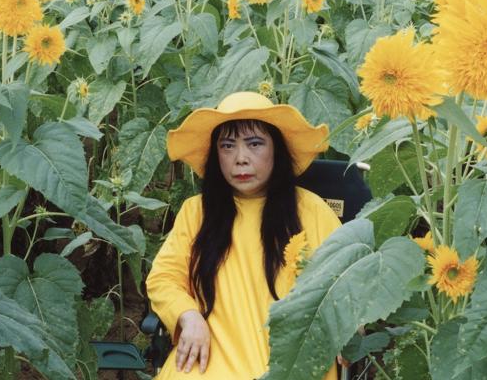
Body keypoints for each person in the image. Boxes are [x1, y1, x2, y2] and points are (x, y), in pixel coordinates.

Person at [145, 92, 344, 379]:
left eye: (255, 144)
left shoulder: (311, 211)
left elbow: (346, 281)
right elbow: (164, 279)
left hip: (290, 364)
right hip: (207, 360)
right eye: (227, 146)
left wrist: (346, 326)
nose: (240, 159)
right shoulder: (196, 212)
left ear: (277, 149)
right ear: (216, 155)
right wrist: (188, 317)